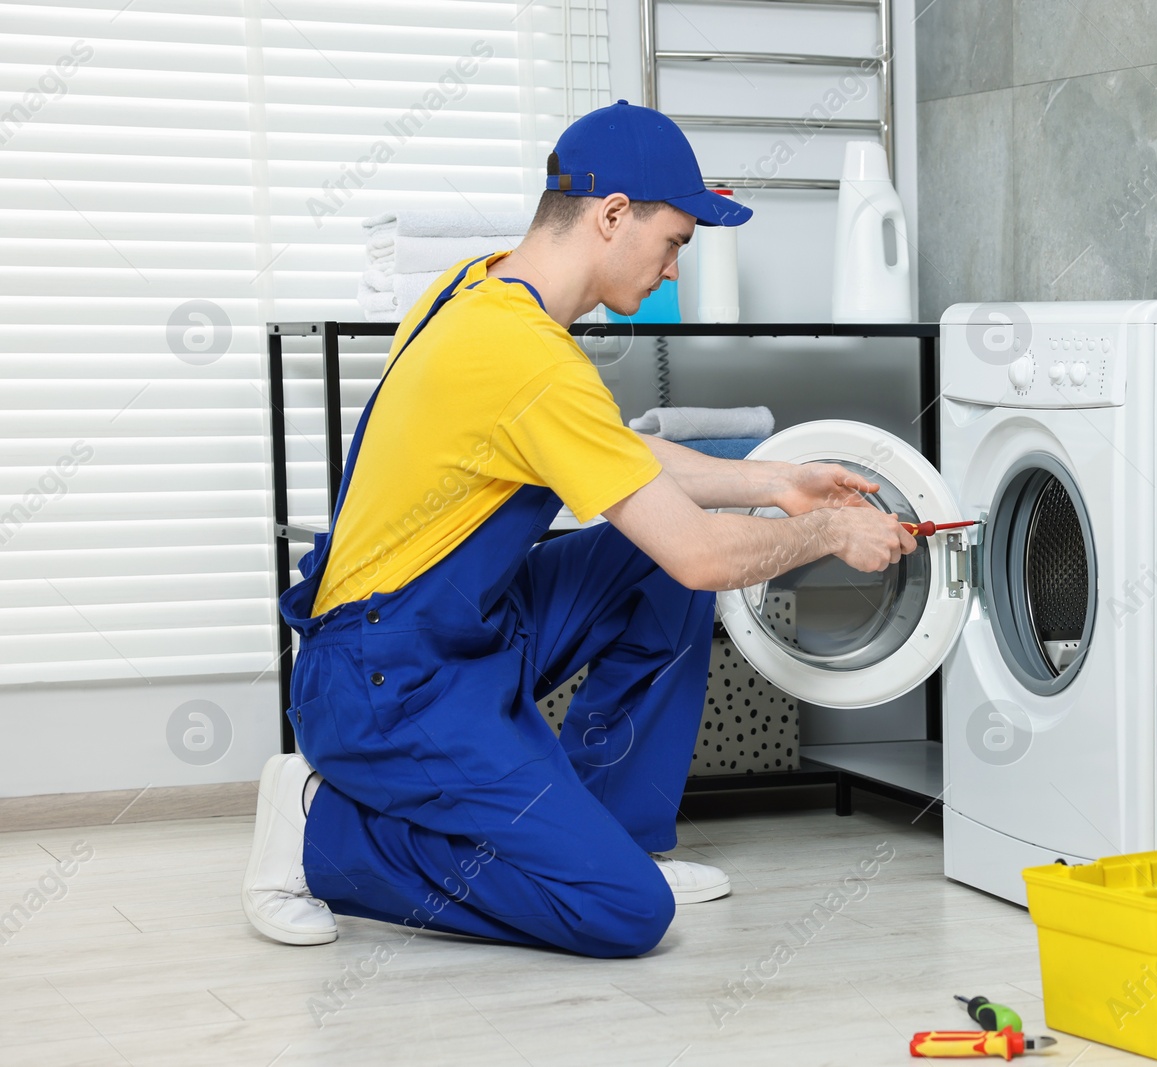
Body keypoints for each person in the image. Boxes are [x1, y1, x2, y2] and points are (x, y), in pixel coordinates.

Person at [241, 101, 918, 958]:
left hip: (459, 627)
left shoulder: (472, 285)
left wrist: (777, 480)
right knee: (625, 911)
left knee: (651, 570)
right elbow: (704, 554)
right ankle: (318, 825)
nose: (673, 271)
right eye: (674, 240)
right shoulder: (532, 359)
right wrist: (826, 533)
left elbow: (615, 450)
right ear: (611, 215)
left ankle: (611, 829)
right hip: (387, 676)